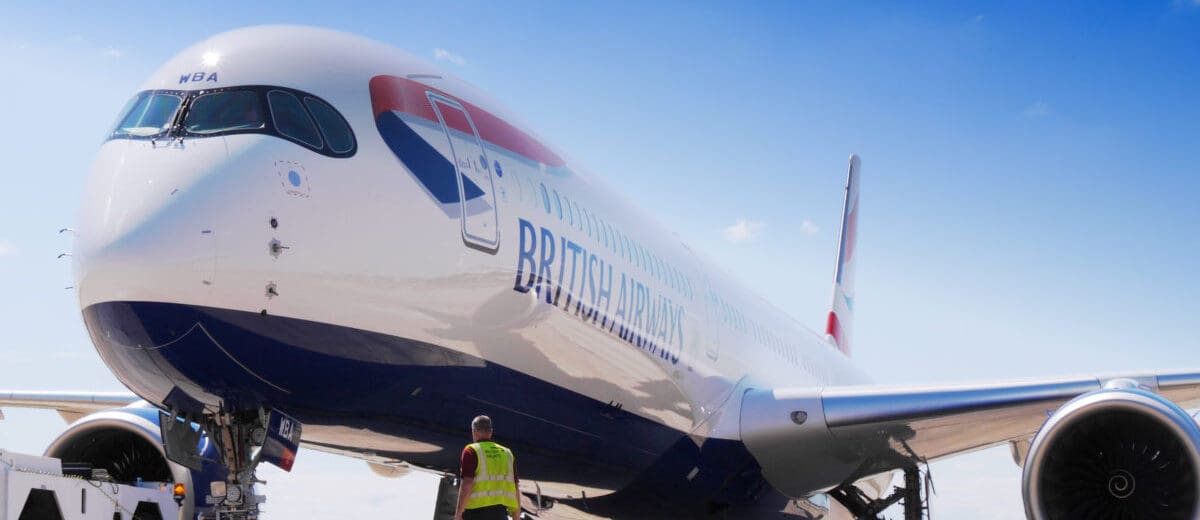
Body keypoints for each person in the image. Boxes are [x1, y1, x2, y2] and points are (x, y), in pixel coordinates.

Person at [455, 415, 520, 520]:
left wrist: (459, 513)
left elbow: (467, 483)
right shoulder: (507, 453)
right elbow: (515, 487)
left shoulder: (471, 451)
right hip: (500, 514)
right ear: (491, 432)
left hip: (475, 514)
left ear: (474, 431)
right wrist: (516, 517)